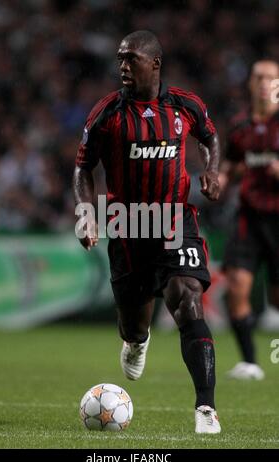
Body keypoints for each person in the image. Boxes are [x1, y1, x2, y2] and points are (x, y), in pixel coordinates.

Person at [73, 30, 221, 433]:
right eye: (120, 59)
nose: (122, 66)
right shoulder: (107, 113)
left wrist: (211, 169)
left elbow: (210, 137)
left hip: (175, 218)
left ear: (154, 63)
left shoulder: (185, 105)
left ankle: (205, 409)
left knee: (188, 300)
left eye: (131, 58)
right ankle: (137, 340)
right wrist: (86, 212)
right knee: (135, 324)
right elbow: (83, 168)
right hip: (126, 224)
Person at [221, 59, 279, 380]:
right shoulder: (240, 125)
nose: (264, 83)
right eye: (258, 77)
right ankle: (250, 363)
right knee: (237, 286)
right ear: (250, 83)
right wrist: (220, 178)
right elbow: (231, 163)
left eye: (270, 78)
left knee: (275, 298)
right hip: (249, 219)